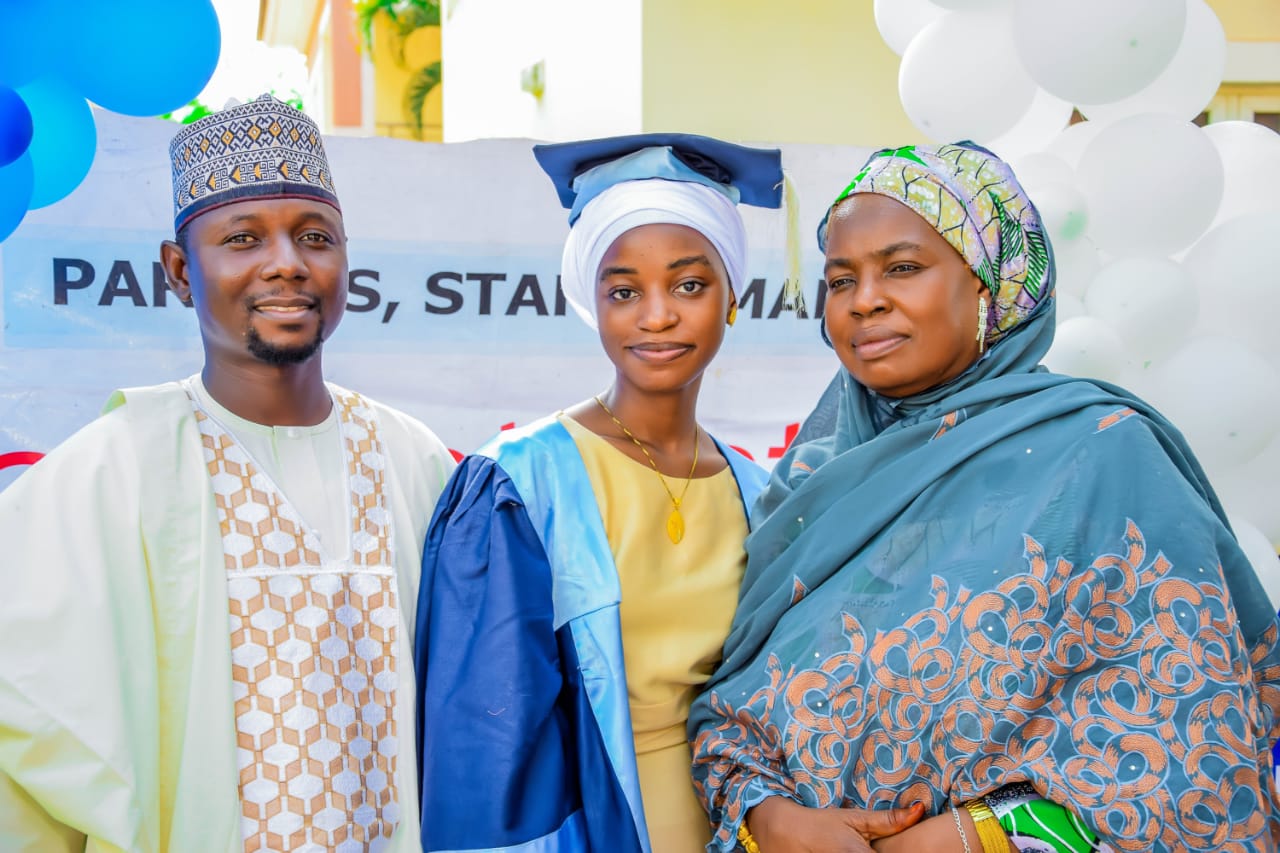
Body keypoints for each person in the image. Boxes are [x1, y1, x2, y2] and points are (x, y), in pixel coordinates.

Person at [689, 141, 1280, 853]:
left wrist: (985, 835)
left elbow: (1195, 743)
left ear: (990, 286)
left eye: (902, 267)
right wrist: (774, 817)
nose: (865, 299)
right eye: (841, 279)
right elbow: (731, 714)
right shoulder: (815, 480)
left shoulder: (1102, 457)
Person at [413, 134, 922, 852]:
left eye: (689, 284)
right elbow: (485, 758)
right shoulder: (520, 486)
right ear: (593, 303)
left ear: (732, 297)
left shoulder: (760, 491)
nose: (657, 315)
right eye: (625, 290)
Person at [0, 95, 455, 851]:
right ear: (180, 270)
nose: (286, 262)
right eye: (242, 238)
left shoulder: (418, 463)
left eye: (315, 237)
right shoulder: (106, 472)